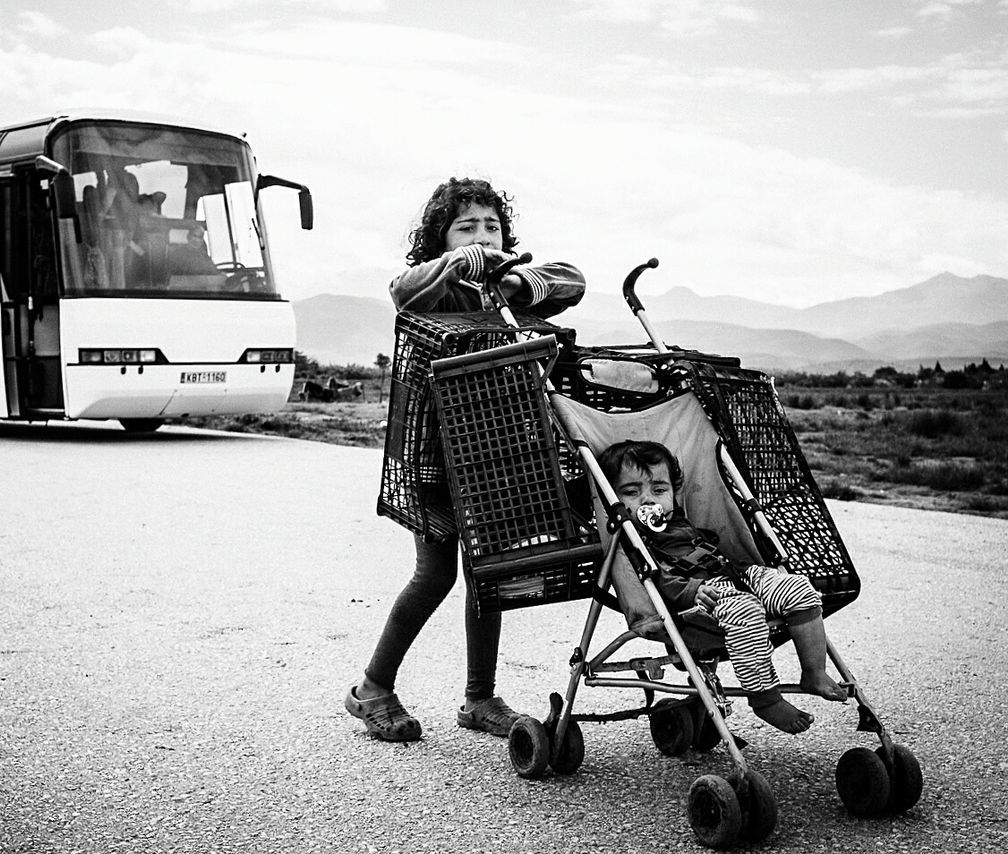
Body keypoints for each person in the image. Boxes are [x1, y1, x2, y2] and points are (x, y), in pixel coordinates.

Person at [345, 177, 586, 742]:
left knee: (491, 571)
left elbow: (572, 281)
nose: (482, 235)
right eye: (466, 226)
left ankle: (480, 699)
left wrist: (522, 279)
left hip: (495, 453)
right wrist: (456, 264)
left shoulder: (507, 291)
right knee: (435, 575)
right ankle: (373, 688)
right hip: (436, 454)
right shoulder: (434, 286)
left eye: (491, 226)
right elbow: (402, 291)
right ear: (440, 238)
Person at [597, 439, 849, 734]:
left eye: (659, 490)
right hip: (702, 594)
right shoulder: (631, 538)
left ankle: (814, 671)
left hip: (735, 574)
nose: (648, 500)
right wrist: (693, 590)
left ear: (674, 493)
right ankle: (765, 698)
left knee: (800, 589)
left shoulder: (676, 520)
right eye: (631, 492)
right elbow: (657, 579)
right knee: (746, 611)